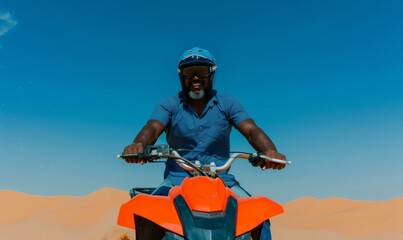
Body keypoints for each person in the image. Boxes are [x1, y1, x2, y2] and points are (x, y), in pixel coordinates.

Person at [122, 47, 287, 240]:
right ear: (181, 77)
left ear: (212, 75)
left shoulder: (228, 104)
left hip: (222, 181)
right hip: (177, 179)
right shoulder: (169, 104)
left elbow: (251, 130)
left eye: (202, 71)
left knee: (260, 216)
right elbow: (152, 128)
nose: (195, 78)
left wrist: (270, 151)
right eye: (188, 72)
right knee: (148, 212)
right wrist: (138, 145)